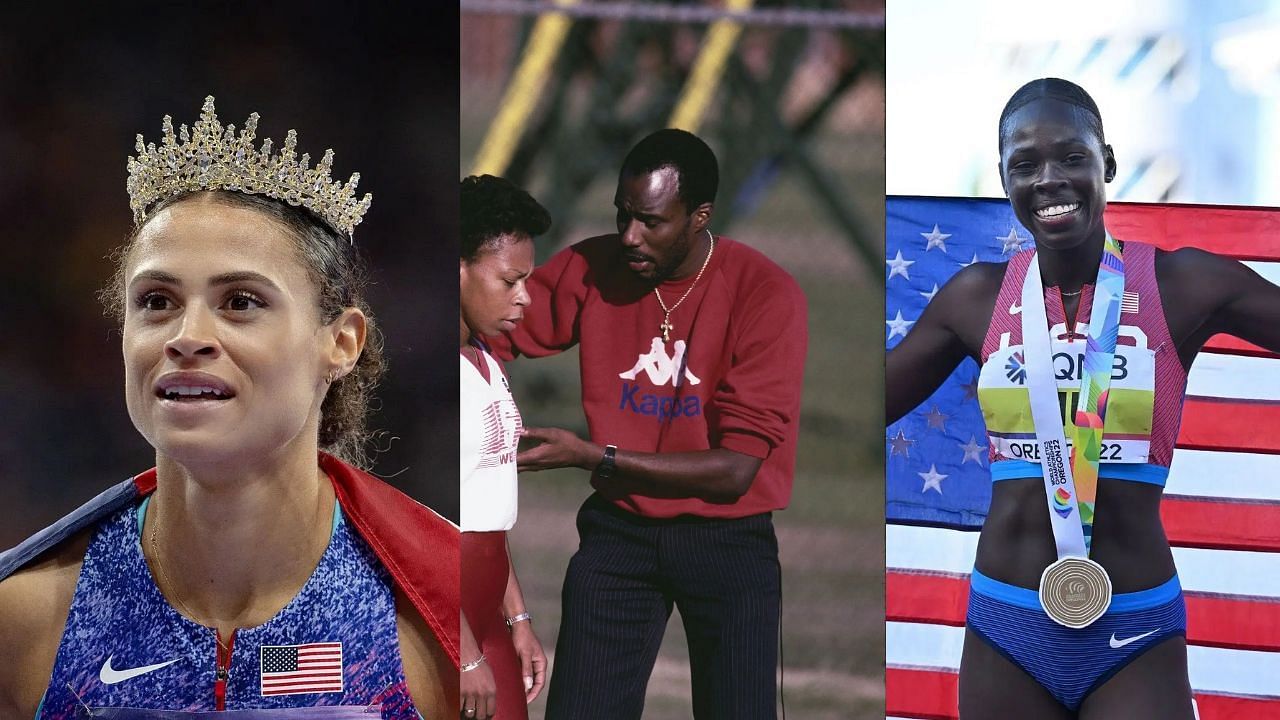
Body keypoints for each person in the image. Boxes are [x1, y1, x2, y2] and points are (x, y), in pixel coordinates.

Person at [0, 97, 458, 718]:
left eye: (240, 301)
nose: (186, 335)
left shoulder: (444, 622)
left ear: (341, 342)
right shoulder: (22, 622)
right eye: (156, 301)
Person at [886, 78, 1280, 719]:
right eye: (1026, 165)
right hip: (1006, 627)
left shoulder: (1182, 285)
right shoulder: (976, 297)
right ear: (1005, 179)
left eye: (1072, 157)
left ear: (1109, 165)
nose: (1050, 180)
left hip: (1134, 630)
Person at [494, 128, 808, 719]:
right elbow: (487, 325)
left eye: (651, 222)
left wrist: (594, 458)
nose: (629, 236)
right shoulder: (594, 266)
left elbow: (735, 472)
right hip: (620, 533)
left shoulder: (766, 293)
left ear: (699, 218)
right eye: (622, 215)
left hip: (728, 539)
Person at [458, 175, 550, 720]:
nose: (525, 296)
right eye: (510, 280)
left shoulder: (486, 360)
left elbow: (486, 507)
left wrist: (519, 621)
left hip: (485, 613)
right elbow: (417, 534)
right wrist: (465, 655)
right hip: (443, 620)